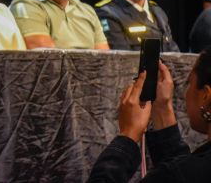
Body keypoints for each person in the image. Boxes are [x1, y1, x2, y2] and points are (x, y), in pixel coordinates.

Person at [88, 50, 211, 181]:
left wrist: (127, 136)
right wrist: (162, 109)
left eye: (189, 83)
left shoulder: (178, 174)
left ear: (205, 95)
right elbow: (181, 168)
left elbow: (178, 174)